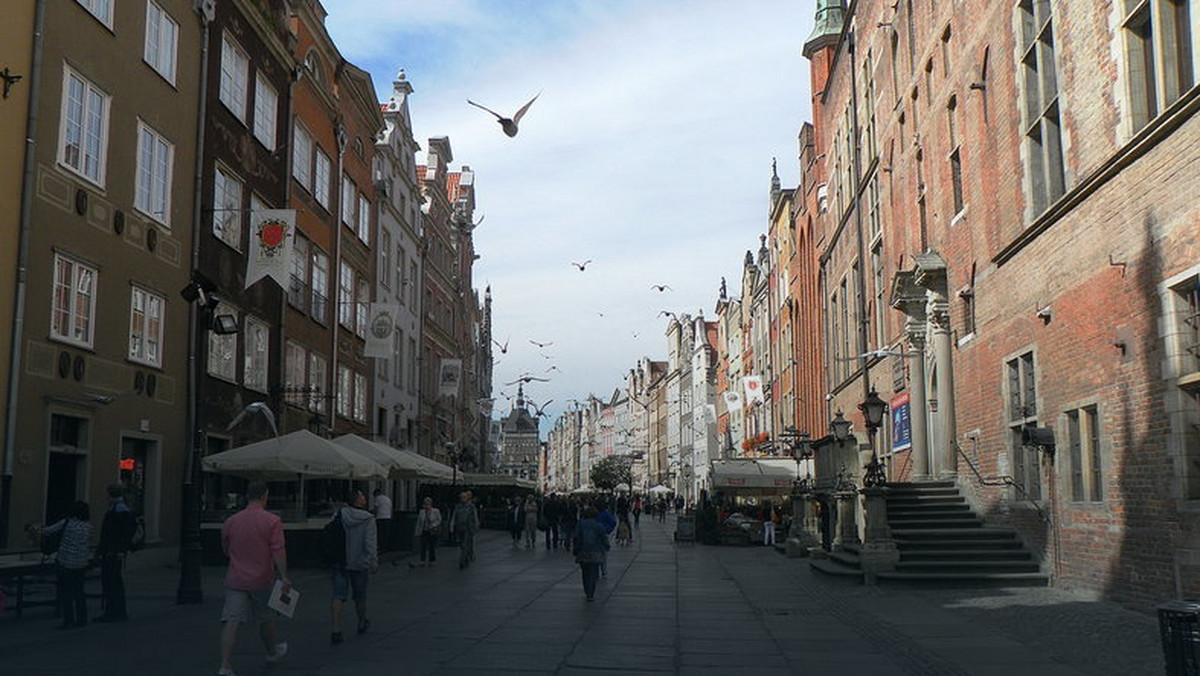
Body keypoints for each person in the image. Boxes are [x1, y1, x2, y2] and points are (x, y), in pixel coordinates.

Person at [218, 481, 290, 676]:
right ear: (264, 496)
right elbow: (278, 550)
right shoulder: (272, 521)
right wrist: (284, 576)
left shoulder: (232, 521)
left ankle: (225, 665)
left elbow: (225, 548)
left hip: (236, 577)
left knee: (232, 620)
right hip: (261, 578)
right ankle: (271, 652)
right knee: (265, 618)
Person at [331, 490, 378, 645]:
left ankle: (336, 630)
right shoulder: (368, 519)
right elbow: (370, 542)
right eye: (362, 496)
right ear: (358, 500)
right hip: (359, 562)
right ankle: (361, 622)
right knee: (360, 595)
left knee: (338, 595)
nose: (365, 497)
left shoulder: (340, 515)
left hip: (340, 561)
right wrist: (373, 561)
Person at [36, 500, 92, 629]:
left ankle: (69, 620)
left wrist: (37, 529)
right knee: (79, 591)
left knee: (66, 592)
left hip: (66, 562)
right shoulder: (88, 527)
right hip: (81, 563)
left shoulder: (67, 523)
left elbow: (48, 531)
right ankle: (82, 619)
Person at [95, 483, 135, 622]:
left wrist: (115, 550)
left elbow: (115, 533)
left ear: (111, 494)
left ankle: (113, 611)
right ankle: (116, 610)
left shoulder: (117, 510)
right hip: (114, 551)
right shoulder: (122, 508)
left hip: (112, 551)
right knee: (115, 581)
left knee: (111, 581)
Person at [573, 507, 610, 601]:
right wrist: (607, 546)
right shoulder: (599, 526)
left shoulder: (581, 524)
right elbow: (604, 538)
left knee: (585, 573)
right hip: (595, 552)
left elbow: (576, 537)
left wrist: (576, 549)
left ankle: (586, 590)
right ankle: (591, 593)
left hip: (583, 552)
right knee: (593, 573)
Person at [451, 490, 479, 569]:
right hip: (459, 527)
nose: (462, 499)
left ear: (467, 498)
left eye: (464, 497)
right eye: (461, 497)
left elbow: (475, 516)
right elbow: (454, 515)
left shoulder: (471, 507)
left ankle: (462, 561)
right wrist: (452, 525)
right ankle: (466, 556)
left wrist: (476, 525)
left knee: (465, 544)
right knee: (461, 544)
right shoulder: (458, 506)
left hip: (468, 528)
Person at [412, 497, 442, 566]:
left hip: (432, 531)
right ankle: (422, 560)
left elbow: (439, 520)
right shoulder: (422, 512)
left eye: (428, 504)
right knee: (423, 546)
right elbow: (419, 522)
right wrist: (417, 532)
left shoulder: (436, 511)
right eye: (425, 504)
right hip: (424, 531)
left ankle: (432, 560)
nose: (426, 506)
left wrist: (434, 525)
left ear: (431, 504)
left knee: (431, 546)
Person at [595, 501, 617, 578]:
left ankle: (596, 571)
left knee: (595, 553)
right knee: (603, 554)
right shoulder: (606, 514)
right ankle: (604, 571)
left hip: (595, 535)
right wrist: (608, 530)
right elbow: (613, 522)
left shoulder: (595, 514)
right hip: (604, 533)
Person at [372, 489, 392, 555]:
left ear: (376, 494)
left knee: (380, 533)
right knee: (386, 534)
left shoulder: (377, 498)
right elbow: (391, 509)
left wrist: (373, 516)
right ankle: (385, 548)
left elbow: (376, 508)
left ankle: (381, 548)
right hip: (388, 517)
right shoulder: (388, 499)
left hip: (380, 517)